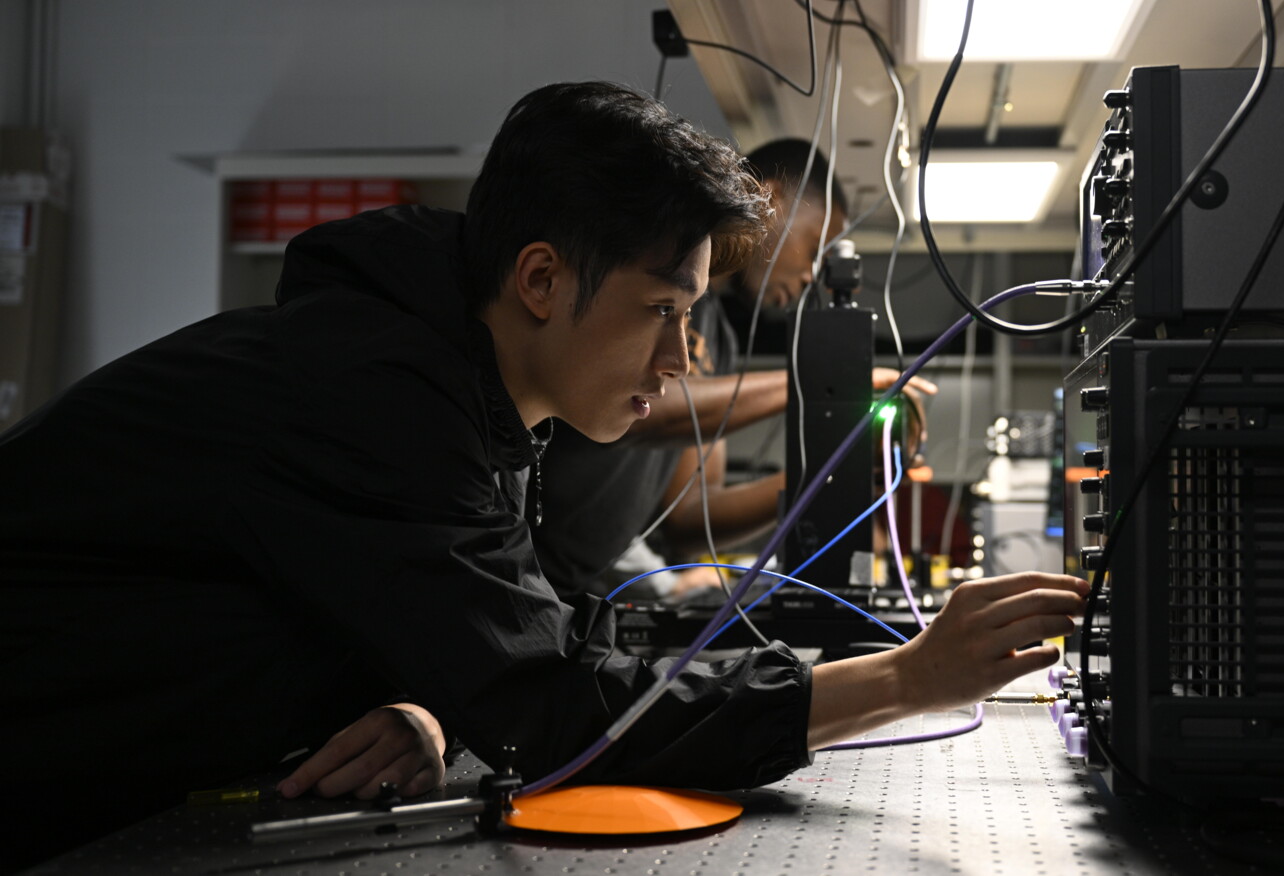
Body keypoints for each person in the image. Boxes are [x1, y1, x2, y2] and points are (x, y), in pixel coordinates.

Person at [0, 82, 1087, 870]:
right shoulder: (371, 392)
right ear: (538, 279)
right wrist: (902, 679)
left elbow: (476, 630)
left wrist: (433, 697)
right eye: (661, 312)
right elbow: (555, 706)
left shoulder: (461, 400)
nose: (678, 358)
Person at [534, 139, 935, 601]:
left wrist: (830, 471)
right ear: (770, 200)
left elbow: (692, 518)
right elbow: (634, 413)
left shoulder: (717, 341)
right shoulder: (647, 276)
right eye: (813, 247)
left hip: (581, 597)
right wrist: (821, 388)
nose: (810, 276)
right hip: (525, 566)